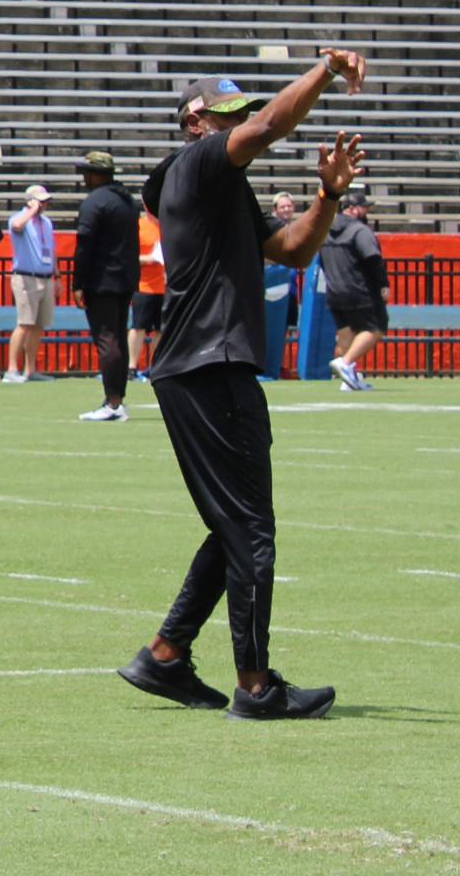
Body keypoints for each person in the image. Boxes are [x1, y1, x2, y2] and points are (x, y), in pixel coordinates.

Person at [116, 56, 365, 722]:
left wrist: (329, 195)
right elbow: (275, 121)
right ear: (196, 121)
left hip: (199, 365)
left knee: (233, 524)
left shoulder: (219, 187)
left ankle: (166, 654)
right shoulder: (197, 163)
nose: (240, 123)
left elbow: (291, 249)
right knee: (253, 527)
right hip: (209, 365)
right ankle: (254, 685)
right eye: (227, 114)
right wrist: (325, 69)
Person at [71, 151, 139, 422]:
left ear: (98, 174)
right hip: (125, 279)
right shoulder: (125, 200)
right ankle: (116, 399)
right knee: (118, 339)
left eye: (87, 172)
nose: (84, 177)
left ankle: (112, 404)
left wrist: (78, 283)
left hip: (102, 280)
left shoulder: (94, 202)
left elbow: (84, 245)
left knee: (107, 340)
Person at [321, 190, 386, 392]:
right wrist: (383, 285)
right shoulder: (360, 231)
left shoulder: (325, 230)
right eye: (364, 207)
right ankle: (345, 363)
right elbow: (373, 259)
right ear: (353, 209)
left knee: (346, 334)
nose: (366, 211)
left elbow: (321, 261)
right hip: (359, 290)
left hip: (334, 291)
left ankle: (348, 379)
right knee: (376, 327)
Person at [3, 183, 55, 381]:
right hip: (26, 276)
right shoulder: (19, 218)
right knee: (24, 323)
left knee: (38, 326)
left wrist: (55, 275)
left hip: (45, 277)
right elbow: (16, 227)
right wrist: (32, 209)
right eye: (41, 202)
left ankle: (30, 369)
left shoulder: (47, 223)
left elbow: (52, 249)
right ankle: (11, 369)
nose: (44, 205)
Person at [129, 209, 164, 380]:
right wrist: (147, 259)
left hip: (164, 285)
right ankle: (131, 367)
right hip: (144, 285)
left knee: (160, 329)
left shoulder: (166, 224)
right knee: (139, 326)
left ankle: (155, 366)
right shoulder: (138, 225)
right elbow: (127, 255)